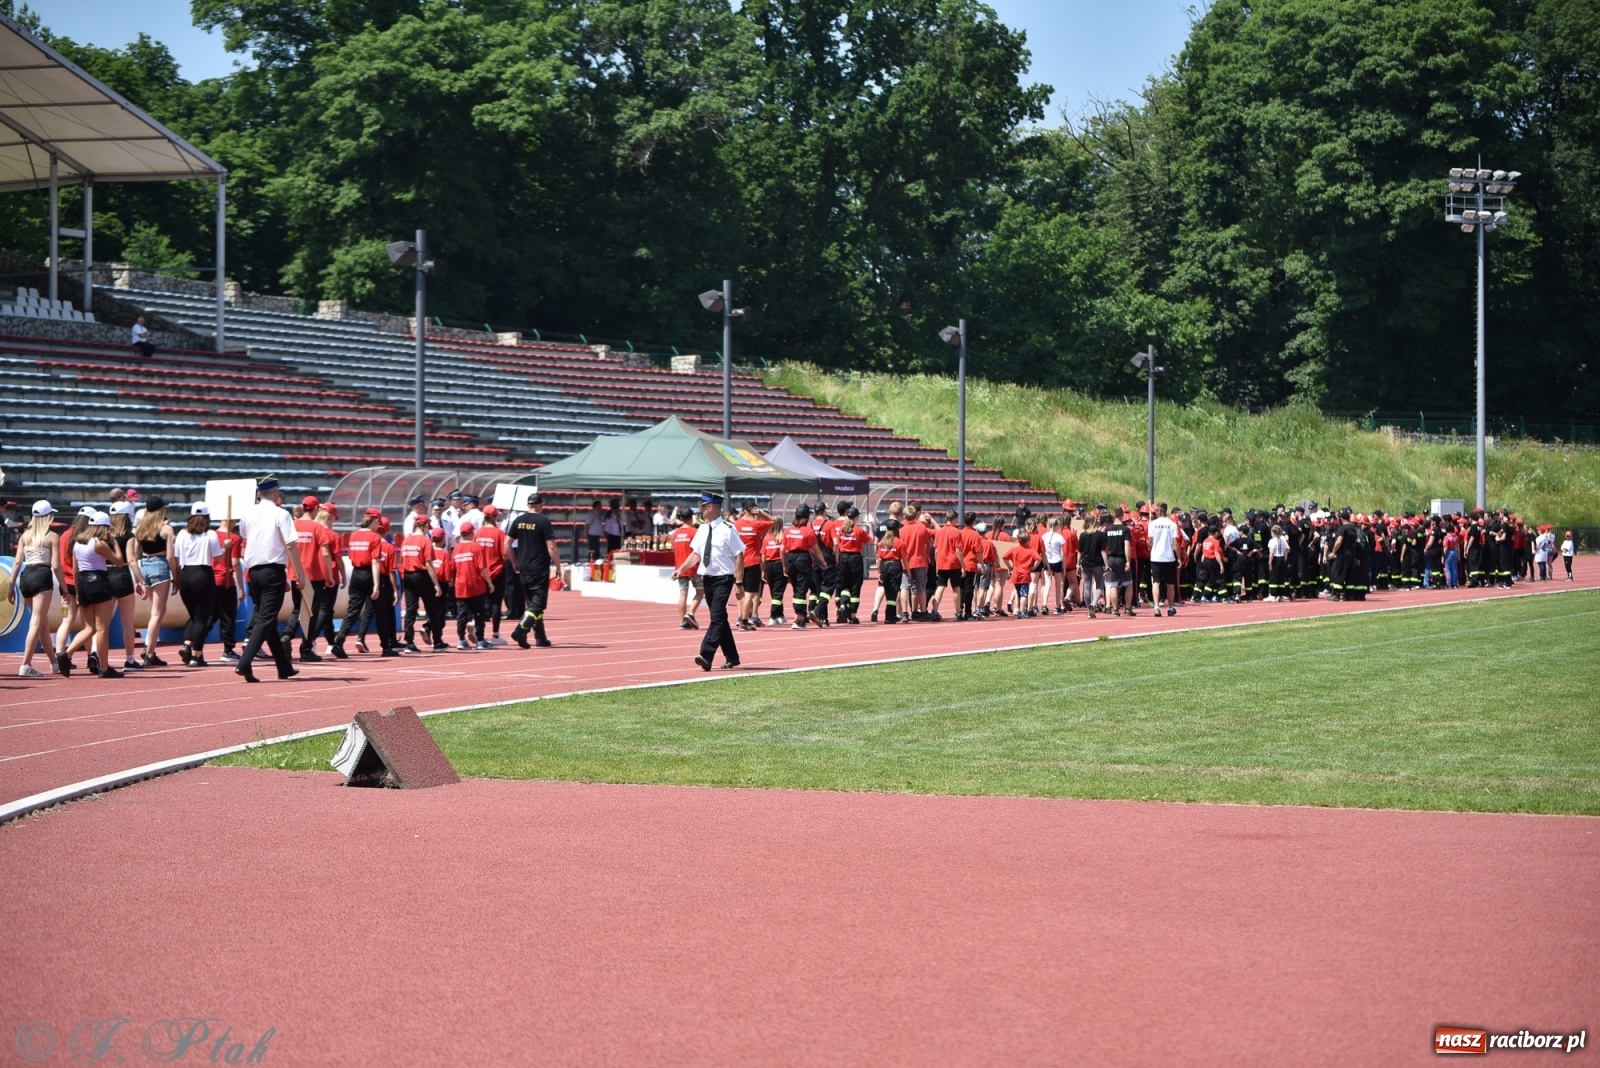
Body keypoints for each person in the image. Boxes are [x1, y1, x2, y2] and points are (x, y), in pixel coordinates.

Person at [236, 476, 311, 683]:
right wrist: (300, 574)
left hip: (254, 571)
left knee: (265, 617)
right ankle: (244, 662)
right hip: (272, 570)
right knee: (266, 619)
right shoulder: (281, 514)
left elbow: (245, 536)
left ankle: (284, 666)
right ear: (275, 493)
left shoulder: (248, 513)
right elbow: (291, 546)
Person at [673, 493, 743, 670]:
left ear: (711, 507)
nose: (700, 510)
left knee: (717, 617)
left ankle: (706, 654)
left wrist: (739, 582)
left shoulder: (728, 529)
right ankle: (732, 657)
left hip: (723, 579)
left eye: (703, 507)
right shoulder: (702, 529)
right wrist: (681, 569)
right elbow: (696, 554)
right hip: (708, 579)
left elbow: (739, 555)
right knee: (721, 619)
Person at [61, 512, 123, 678]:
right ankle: (104, 668)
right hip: (99, 582)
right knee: (103, 629)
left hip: (82, 583)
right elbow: (119, 562)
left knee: (89, 628)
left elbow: (75, 569)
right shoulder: (99, 543)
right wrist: (114, 542)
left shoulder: (77, 543)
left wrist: (79, 592)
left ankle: (66, 654)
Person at [8, 500, 62, 677]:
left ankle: (54, 663)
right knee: (37, 621)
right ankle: (25, 664)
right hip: (41, 575)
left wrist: (10, 586)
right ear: (48, 516)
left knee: (43, 623)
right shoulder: (52, 536)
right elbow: (55, 566)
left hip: (26, 576)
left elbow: (17, 562)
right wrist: (65, 588)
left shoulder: (25, 535)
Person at [172, 503, 223, 667]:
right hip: (203, 574)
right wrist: (226, 548)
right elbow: (219, 558)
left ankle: (187, 644)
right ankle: (197, 654)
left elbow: (177, 557)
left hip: (186, 574)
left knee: (193, 615)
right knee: (202, 618)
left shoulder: (181, 534)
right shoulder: (210, 534)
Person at [129, 499, 176, 666]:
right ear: (161, 510)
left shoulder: (140, 527)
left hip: (145, 565)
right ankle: (149, 652)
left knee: (159, 611)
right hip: (160, 564)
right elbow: (170, 556)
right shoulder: (166, 529)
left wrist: (138, 579)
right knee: (156, 613)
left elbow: (135, 555)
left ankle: (150, 649)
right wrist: (176, 577)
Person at [507, 495, 557, 649]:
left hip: (523, 567)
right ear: (540, 505)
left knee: (532, 604)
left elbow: (506, 543)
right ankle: (521, 629)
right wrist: (558, 566)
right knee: (539, 603)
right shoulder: (543, 521)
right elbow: (552, 547)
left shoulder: (518, 520)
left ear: (528, 505)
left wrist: (514, 562)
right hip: (539, 567)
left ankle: (540, 637)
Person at [333, 509, 385, 656]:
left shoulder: (354, 535)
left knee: (352, 612)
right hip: (368, 573)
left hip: (356, 574)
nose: (378, 525)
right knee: (381, 611)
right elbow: (375, 561)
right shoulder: (374, 537)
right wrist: (376, 584)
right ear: (375, 520)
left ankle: (339, 643)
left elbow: (351, 556)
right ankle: (386, 646)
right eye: (378, 522)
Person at [399, 519, 446, 652]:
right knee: (432, 609)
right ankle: (437, 642)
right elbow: (429, 564)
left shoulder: (406, 540)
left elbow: (402, 559)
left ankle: (409, 642)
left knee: (411, 609)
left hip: (408, 576)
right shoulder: (425, 541)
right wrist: (436, 584)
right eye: (427, 527)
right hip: (422, 576)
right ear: (425, 526)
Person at [781, 504, 827, 629]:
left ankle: (799, 616)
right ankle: (799, 620)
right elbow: (816, 550)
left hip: (790, 558)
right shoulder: (808, 531)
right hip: (803, 559)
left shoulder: (788, 530)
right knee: (801, 589)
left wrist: (784, 565)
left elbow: (782, 549)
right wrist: (823, 562)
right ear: (807, 517)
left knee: (796, 589)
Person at [451, 522, 494, 649]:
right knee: (479, 613)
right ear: (471, 533)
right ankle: (480, 640)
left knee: (462, 614)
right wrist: (490, 583)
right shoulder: (476, 547)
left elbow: (453, 569)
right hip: (476, 585)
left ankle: (461, 640)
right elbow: (482, 568)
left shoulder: (456, 549)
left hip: (460, 586)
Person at [734, 502, 775, 630]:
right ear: (754, 510)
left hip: (738, 562)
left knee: (740, 592)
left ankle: (740, 616)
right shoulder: (757, 524)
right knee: (749, 594)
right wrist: (762, 513)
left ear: (743, 510)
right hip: (753, 562)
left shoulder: (736, 524)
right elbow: (775, 520)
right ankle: (744, 621)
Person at [670, 507, 704, 629]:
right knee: (700, 591)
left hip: (680, 567)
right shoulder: (695, 532)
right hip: (693, 567)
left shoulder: (675, 534)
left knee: (683, 594)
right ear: (691, 518)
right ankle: (691, 613)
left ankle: (681, 622)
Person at [1147, 502, 1179, 616]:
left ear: (1160, 511)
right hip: (1169, 557)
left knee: (1156, 582)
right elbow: (1176, 543)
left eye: (1156, 510)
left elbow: (1150, 542)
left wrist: (1150, 547)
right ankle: (1170, 607)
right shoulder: (1172, 524)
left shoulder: (1152, 524)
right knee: (1170, 584)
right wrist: (1178, 557)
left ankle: (1156, 607)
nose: (1154, 512)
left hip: (1156, 557)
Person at [1105, 509, 1135, 617]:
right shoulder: (1125, 529)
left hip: (1111, 558)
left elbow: (1105, 547)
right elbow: (1127, 546)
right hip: (1122, 557)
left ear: (1113, 515)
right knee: (1128, 584)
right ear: (1122, 516)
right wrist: (1128, 560)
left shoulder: (1108, 529)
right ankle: (1128, 608)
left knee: (1113, 585)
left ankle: (1115, 609)